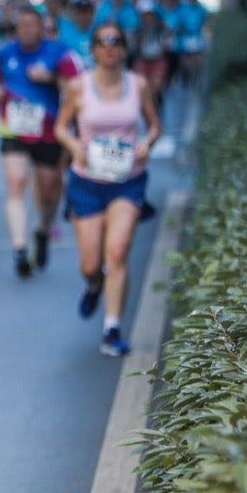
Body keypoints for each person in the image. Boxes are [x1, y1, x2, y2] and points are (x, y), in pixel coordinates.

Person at [53, 22, 161, 358]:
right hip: (88, 180)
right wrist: (74, 146)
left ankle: (112, 328)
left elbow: (155, 125)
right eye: (103, 41)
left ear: (125, 48)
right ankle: (93, 283)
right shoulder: (77, 86)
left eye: (116, 41)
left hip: (127, 180)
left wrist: (146, 143)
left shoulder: (138, 84)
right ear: (94, 48)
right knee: (90, 263)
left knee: (117, 252)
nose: (110, 47)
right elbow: (60, 127)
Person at [0, 7, 82, 279]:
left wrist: (52, 79)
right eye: (23, 26)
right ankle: (20, 249)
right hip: (14, 131)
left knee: (48, 191)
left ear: (42, 27)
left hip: (48, 131)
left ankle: (43, 229)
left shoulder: (59, 53)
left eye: (34, 25)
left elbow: (78, 89)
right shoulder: (4, 54)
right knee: (16, 184)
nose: (28, 30)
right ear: (17, 28)